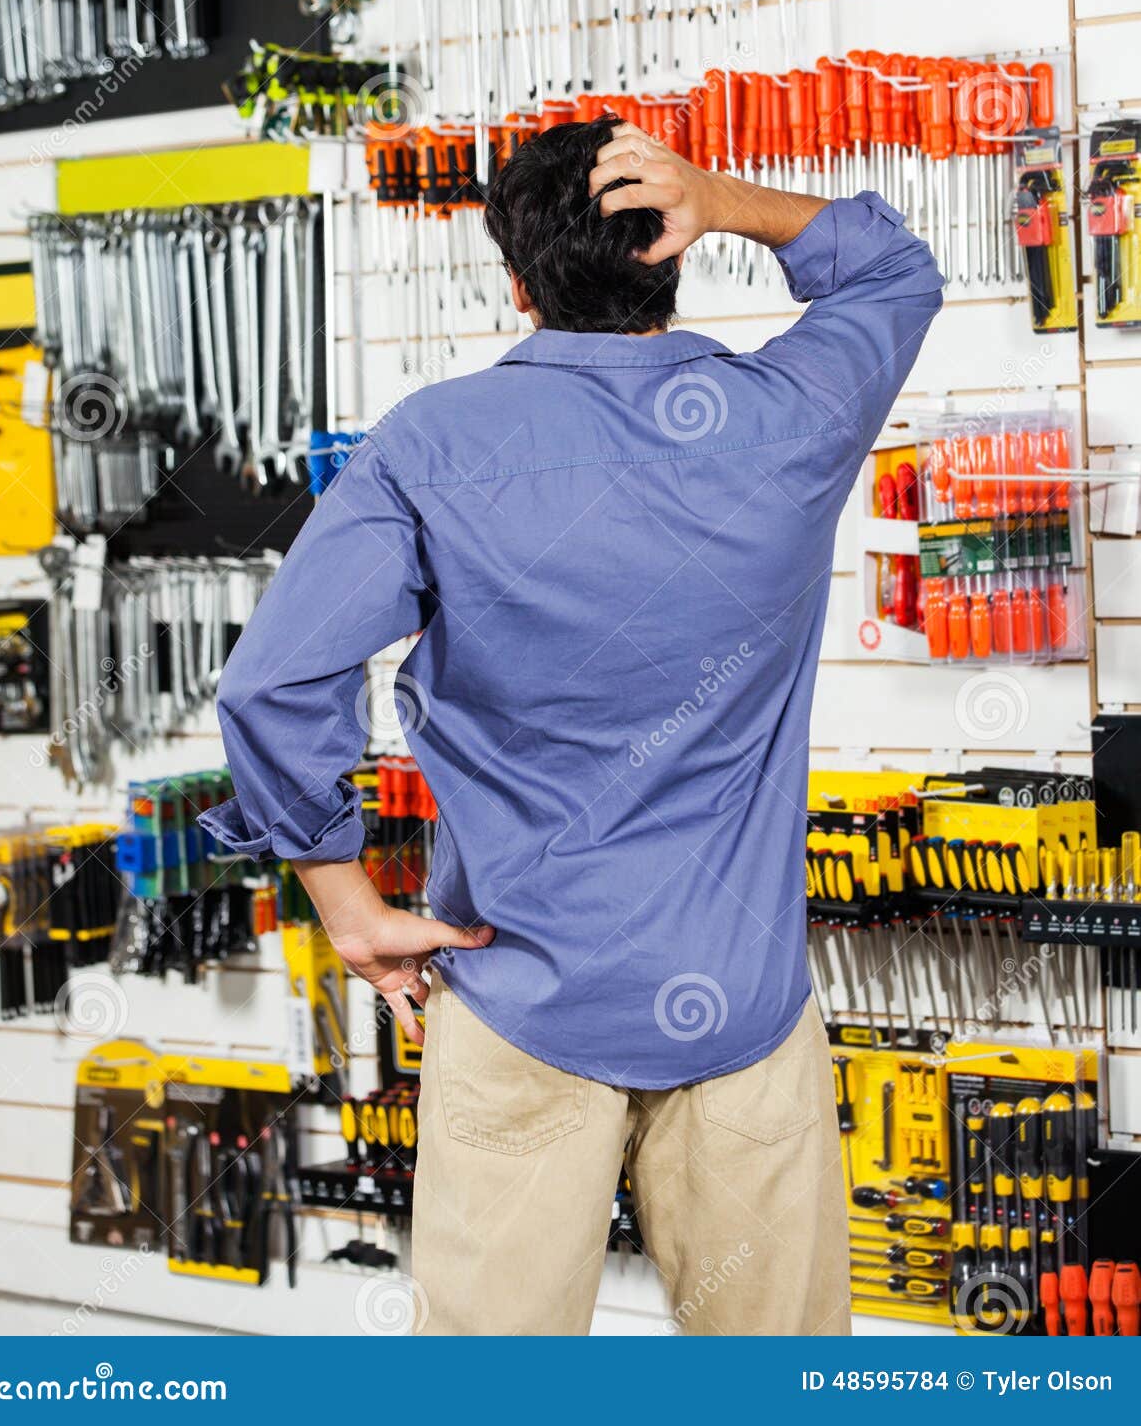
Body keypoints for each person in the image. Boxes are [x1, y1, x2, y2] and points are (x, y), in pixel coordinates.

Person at [202, 117, 943, 1336]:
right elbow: (891, 268)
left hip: (516, 998)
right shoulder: (787, 416)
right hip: (741, 1002)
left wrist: (344, 903)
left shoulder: (430, 447)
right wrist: (725, 194)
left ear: (513, 280)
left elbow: (273, 689)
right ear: (673, 252)